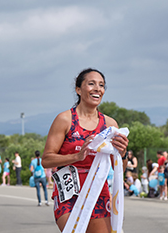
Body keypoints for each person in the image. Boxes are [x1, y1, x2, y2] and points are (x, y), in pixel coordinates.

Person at [41, 68, 129, 233]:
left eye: (101, 85)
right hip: (69, 189)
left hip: (98, 190)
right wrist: (77, 156)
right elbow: (46, 159)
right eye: (91, 84)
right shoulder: (65, 119)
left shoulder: (110, 125)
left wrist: (123, 155)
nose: (98, 88)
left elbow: (118, 169)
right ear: (78, 90)